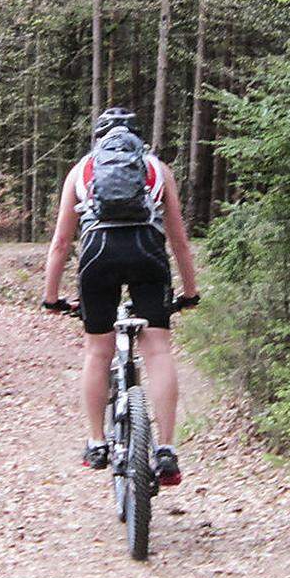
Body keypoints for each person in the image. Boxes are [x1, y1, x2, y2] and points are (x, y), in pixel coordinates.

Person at [41, 107, 199, 487]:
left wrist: (51, 296)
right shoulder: (157, 169)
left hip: (98, 254)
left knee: (98, 352)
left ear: (98, 138)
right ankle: (165, 450)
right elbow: (178, 239)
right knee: (158, 350)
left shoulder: (81, 171)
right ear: (137, 137)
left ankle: (96, 443)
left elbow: (62, 242)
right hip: (147, 251)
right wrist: (190, 291)